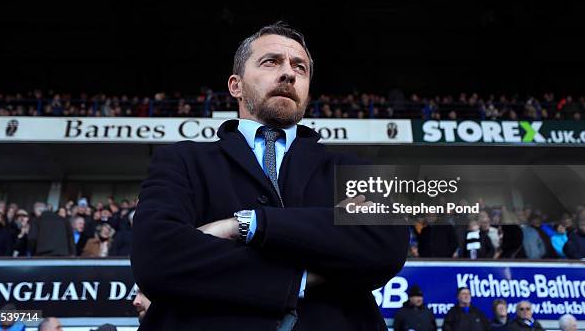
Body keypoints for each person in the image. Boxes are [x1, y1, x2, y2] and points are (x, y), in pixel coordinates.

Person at [131, 23, 409, 331]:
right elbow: (157, 257)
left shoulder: (353, 168)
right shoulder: (180, 160)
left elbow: (387, 242)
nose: (289, 73)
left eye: (300, 68)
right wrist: (299, 278)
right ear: (235, 85)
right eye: (271, 62)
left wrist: (249, 225)